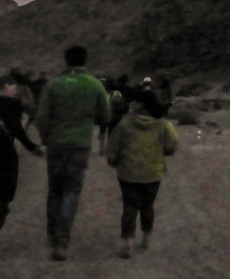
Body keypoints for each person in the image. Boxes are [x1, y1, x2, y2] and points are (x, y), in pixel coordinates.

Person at [35, 45, 110, 261]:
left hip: (56, 144)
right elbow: (105, 116)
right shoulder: (94, 84)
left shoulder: (53, 85)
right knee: (71, 192)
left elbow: (42, 118)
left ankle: (52, 235)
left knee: (55, 190)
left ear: (65, 60)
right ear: (85, 61)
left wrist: (46, 139)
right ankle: (62, 241)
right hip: (80, 145)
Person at [105, 89, 179, 259]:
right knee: (147, 206)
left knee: (129, 206)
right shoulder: (162, 123)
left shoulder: (125, 123)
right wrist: (163, 152)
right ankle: (146, 236)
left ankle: (128, 243)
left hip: (128, 173)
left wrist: (113, 161)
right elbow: (172, 143)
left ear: (141, 105)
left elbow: (113, 147)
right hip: (152, 173)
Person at [0, 76, 44, 231]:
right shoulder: (12, 104)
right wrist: (32, 147)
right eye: (14, 87)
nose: (16, 91)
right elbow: (16, 129)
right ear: (6, 86)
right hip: (4, 153)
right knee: (4, 196)